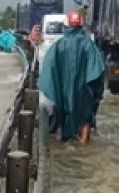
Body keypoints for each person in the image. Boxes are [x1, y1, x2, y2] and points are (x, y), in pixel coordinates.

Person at [37, 10, 105, 144]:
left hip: (62, 91)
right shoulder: (89, 45)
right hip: (84, 91)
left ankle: (66, 141)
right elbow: (97, 71)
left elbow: (48, 71)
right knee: (85, 117)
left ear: (66, 25)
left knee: (64, 115)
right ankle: (84, 145)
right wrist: (96, 92)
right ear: (80, 25)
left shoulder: (57, 46)